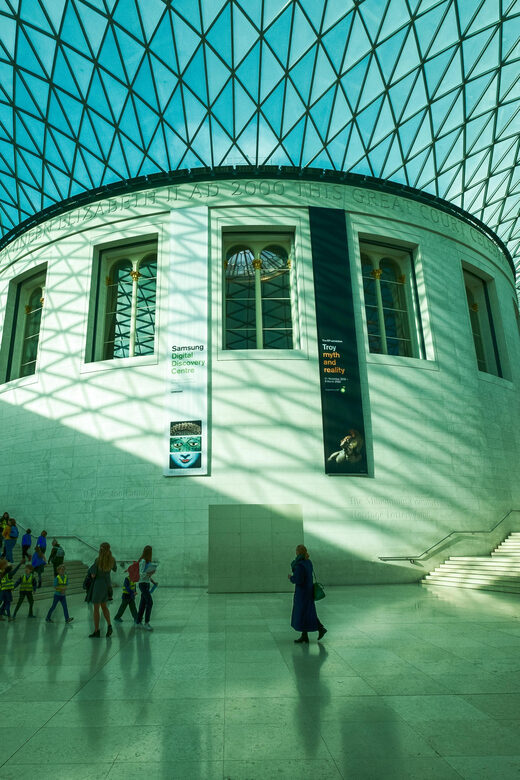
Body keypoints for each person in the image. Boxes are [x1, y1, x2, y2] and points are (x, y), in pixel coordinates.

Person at [288, 544, 327, 644]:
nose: (295, 552)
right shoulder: (308, 562)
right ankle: (304, 635)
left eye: (296, 550)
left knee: (303, 613)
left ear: (298, 552)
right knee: (306, 612)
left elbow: (299, 580)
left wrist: (291, 578)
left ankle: (320, 628)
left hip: (302, 593)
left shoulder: (300, 564)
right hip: (308, 591)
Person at [86, 542, 117, 638]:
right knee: (104, 607)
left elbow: (93, 574)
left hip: (98, 585)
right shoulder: (112, 560)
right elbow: (115, 569)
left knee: (96, 609)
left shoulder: (98, 560)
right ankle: (109, 625)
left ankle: (96, 631)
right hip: (107, 585)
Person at [135, 546, 158, 631]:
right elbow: (141, 574)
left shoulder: (148, 561)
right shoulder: (143, 561)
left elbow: (147, 576)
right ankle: (147, 622)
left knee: (143, 603)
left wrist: (153, 580)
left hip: (147, 584)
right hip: (143, 584)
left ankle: (138, 621)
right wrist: (149, 572)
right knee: (150, 602)